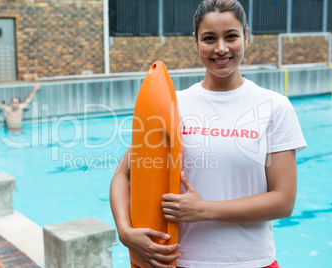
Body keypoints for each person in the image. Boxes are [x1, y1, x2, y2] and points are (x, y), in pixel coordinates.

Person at [109, 0, 307, 267]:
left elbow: (283, 201)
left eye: (231, 36)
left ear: (246, 36)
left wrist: (203, 210)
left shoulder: (274, 106)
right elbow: (123, 174)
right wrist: (124, 232)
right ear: (196, 41)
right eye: (209, 38)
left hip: (252, 260)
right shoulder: (172, 105)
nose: (221, 48)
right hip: (183, 261)